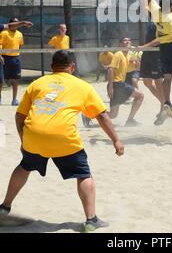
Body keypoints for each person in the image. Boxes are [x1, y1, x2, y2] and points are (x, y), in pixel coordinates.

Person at [0, 50, 124, 232]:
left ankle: (4, 208)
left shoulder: (37, 83)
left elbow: (20, 116)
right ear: (72, 67)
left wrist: (23, 139)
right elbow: (102, 116)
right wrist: (116, 140)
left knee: (25, 166)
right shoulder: (82, 86)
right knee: (83, 174)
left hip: (33, 135)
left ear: (51, 67)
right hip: (63, 138)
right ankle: (91, 220)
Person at [107, 37, 144, 127]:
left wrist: (135, 59)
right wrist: (110, 87)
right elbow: (110, 70)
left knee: (113, 115)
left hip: (119, 85)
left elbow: (138, 68)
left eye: (129, 40)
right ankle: (130, 120)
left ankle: (89, 116)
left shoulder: (127, 55)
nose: (128, 41)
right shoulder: (118, 54)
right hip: (117, 84)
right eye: (125, 40)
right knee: (140, 96)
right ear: (120, 44)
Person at [0, 18, 32, 106]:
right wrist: (0, 55)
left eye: (17, 22)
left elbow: (20, 45)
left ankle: (14, 99)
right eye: (14, 22)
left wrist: (15, 54)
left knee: (15, 80)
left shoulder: (20, 34)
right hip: (4, 58)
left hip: (15, 59)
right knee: (1, 80)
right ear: (10, 23)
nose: (16, 24)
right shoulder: (4, 33)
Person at [139, 19, 165, 125]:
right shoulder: (150, 20)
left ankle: (163, 109)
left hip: (157, 55)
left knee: (159, 83)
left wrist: (144, 46)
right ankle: (165, 104)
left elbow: (160, 39)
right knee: (147, 82)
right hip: (147, 54)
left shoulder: (164, 21)